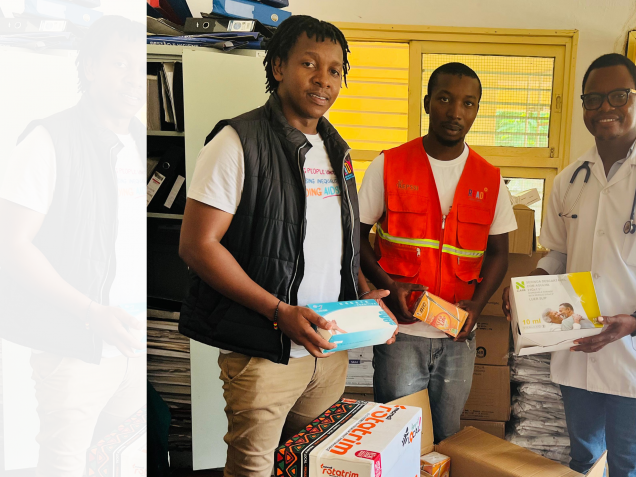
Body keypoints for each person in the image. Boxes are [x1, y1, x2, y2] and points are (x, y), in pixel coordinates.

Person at [177, 16, 395, 477]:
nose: (324, 79)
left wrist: (359, 295)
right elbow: (198, 246)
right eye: (309, 64)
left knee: (307, 465)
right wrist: (280, 311)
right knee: (253, 470)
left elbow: (333, 240)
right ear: (278, 66)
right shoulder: (237, 141)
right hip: (264, 352)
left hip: (327, 349)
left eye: (336, 70)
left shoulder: (337, 149)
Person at [502, 53, 636, 475]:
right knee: (581, 459)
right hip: (578, 351)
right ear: (583, 106)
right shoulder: (570, 179)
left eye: (618, 96)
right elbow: (559, 253)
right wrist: (530, 284)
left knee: (630, 465)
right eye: (594, 99)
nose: (605, 108)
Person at [0, 17, 146, 477]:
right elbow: (12, 244)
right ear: (88, 69)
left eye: (136, 63)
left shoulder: (137, 138)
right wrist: (89, 312)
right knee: (63, 467)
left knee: (118, 459)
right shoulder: (49, 139)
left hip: (130, 340)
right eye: (117, 62)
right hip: (74, 345)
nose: (130, 76)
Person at [357, 62, 515, 442]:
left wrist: (476, 307)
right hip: (401, 332)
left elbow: (498, 254)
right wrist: (387, 286)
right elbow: (355, 235)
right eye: (445, 99)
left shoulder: (489, 179)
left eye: (468, 103)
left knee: (445, 438)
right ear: (428, 103)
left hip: (457, 336)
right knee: (397, 438)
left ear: (477, 110)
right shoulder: (389, 164)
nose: (456, 111)